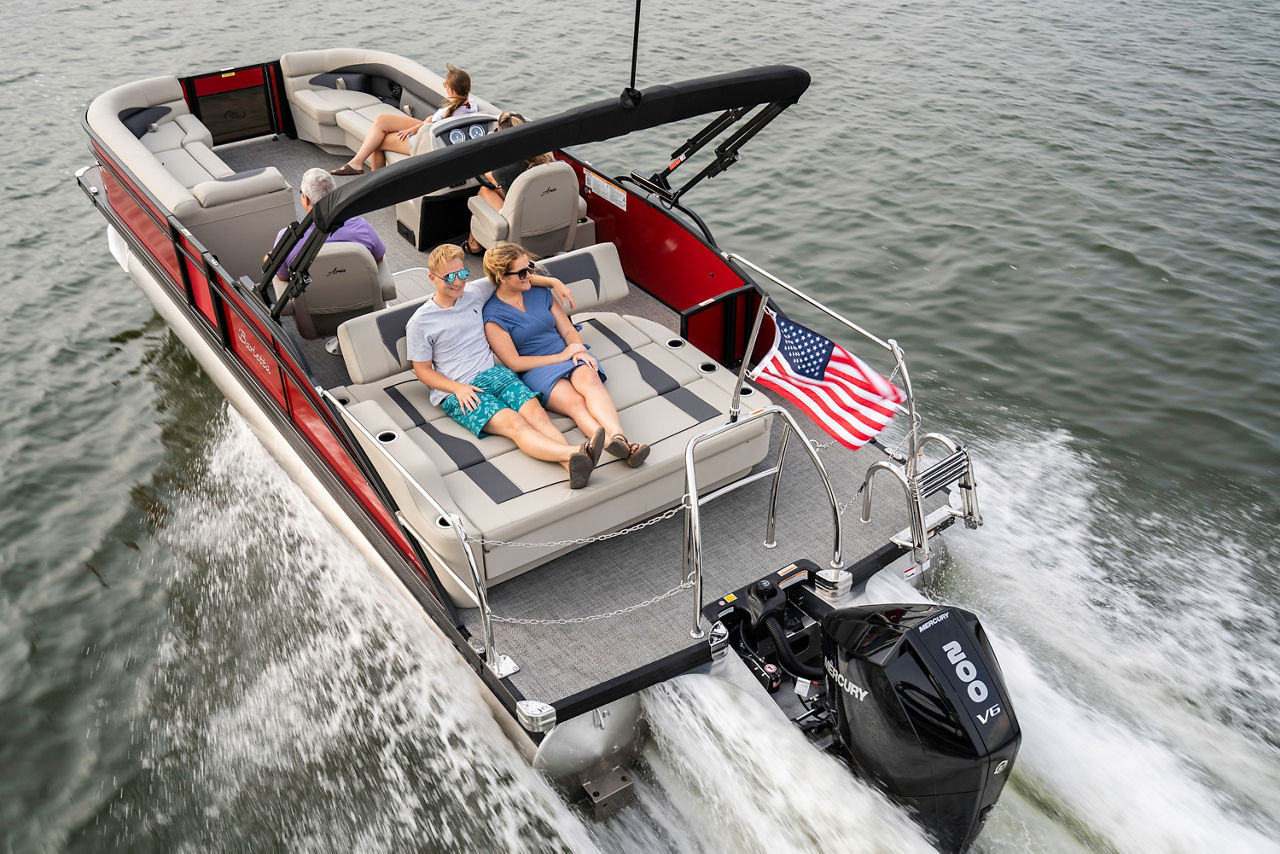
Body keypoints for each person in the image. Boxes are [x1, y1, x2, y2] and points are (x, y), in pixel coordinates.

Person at [406, 243, 603, 489]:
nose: (458, 283)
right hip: (461, 391)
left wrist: (554, 283)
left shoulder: (474, 292)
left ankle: (570, 466)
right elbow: (422, 370)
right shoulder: (420, 323)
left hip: (496, 374)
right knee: (515, 424)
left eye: (462, 274)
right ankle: (576, 453)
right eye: (449, 277)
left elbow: (516, 276)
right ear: (432, 278)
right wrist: (457, 388)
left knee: (538, 415)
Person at [482, 243, 649, 468]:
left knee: (590, 380)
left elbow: (568, 329)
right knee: (575, 403)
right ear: (502, 277)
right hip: (535, 368)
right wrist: (564, 355)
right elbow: (514, 363)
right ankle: (622, 448)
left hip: (567, 352)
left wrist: (578, 349)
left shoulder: (539, 291)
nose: (529, 275)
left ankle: (618, 438)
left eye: (530, 267)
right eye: (522, 273)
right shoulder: (493, 316)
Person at [331, 63, 476, 175]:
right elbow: (432, 121)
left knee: (377, 142)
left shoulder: (446, 112)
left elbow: (430, 124)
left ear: (450, 90)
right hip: (435, 133)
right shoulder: (471, 106)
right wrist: (416, 127)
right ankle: (356, 163)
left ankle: (367, 178)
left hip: (426, 142)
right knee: (381, 120)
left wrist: (415, 129)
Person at [269, 167, 385, 281]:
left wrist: (271, 256)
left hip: (313, 299)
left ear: (305, 199)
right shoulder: (362, 227)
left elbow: (283, 277)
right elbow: (379, 259)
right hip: (360, 295)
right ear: (335, 195)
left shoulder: (287, 239)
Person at [462, 112, 554, 255]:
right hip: (544, 210)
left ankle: (473, 245)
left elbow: (487, 175)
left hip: (520, 219)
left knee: (483, 192)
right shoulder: (546, 155)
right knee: (495, 191)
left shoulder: (504, 170)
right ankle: (474, 243)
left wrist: (489, 142)